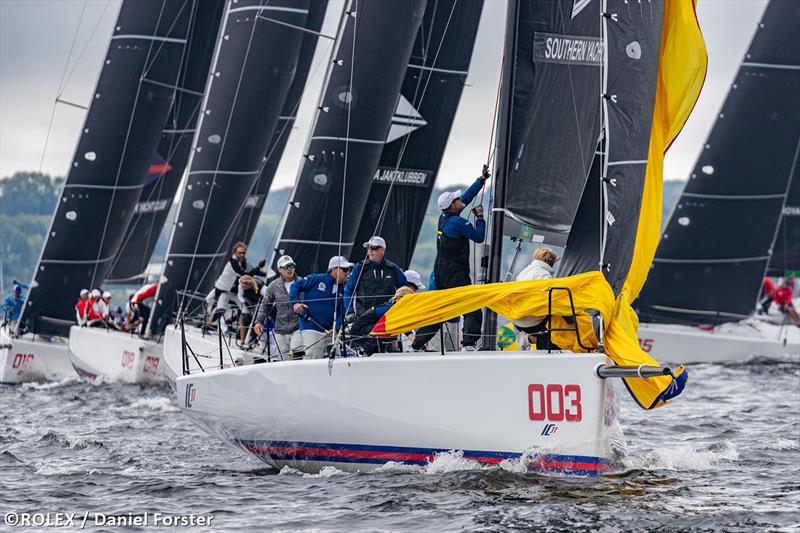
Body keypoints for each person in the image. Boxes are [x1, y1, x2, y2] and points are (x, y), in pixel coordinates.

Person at [412, 165, 490, 351]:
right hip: (455, 274)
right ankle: (469, 344)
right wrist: (480, 217)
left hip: (441, 272)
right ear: (453, 206)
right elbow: (479, 237)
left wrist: (481, 180)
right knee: (472, 304)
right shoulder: (456, 222)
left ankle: (416, 344)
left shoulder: (445, 217)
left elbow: (466, 198)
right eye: (456, 199)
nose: (459, 200)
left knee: (440, 311)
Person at [290, 256, 352, 359]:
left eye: (348, 270)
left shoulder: (343, 290)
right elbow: (295, 286)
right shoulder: (316, 279)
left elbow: (342, 313)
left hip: (330, 332)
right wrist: (295, 303)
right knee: (313, 357)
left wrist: (335, 328)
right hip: (311, 327)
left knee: (336, 358)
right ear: (334, 269)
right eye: (345, 269)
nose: (348, 272)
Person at [343, 236, 407, 318]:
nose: (370, 251)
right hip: (363, 317)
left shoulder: (393, 269)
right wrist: (349, 312)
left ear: (382, 250)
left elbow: (405, 290)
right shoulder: (360, 267)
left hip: (387, 317)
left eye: (374, 248)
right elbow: (348, 290)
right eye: (369, 248)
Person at [254, 255, 302, 358]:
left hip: (298, 327)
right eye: (286, 267)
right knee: (281, 361)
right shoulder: (273, 285)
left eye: (291, 266)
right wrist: (259, 321)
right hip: (280, 329)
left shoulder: (303, 282)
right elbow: (265, 304)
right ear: (280, 269)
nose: (289, 269)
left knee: (294, 357)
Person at [514, 247, 560, 350]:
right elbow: (551, 297)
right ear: (551, 262)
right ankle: (536, 341)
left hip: (518, 321)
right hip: (532, 322)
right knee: (560, 331)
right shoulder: (543, 274)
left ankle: (530, 338)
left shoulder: (523, 273)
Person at [349, 286, 415, 355]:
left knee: (389, 327)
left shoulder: (394, 308)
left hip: (370, 329)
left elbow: (402, 327)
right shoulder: (389, 308)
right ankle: (366, 351)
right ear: (399, 298)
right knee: (388, 327)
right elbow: (401, 326)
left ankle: (379, 351)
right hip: (359, 330)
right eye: (408, 301)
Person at [211, 242, 266, 323]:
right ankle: (207, 325)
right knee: (220, 310)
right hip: (224, 290)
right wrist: (258, 267)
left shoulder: (245, 263)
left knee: (246, 311)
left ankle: (232, 324)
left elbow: (251, 272)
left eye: (243, 253)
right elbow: (243, 274)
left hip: (236, 292)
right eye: (239, 253)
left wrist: (266, 274)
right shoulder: (232, 263)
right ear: (234, 253)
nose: (241, 255)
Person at [237, 275, 261, 345]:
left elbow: (266, 295)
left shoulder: (259, 285)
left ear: (249, 285)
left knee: (255, 321)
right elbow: (240, 295)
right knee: (243, 319)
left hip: (257, 304)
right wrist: (244, 302)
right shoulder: (240, 286)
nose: (242, 287)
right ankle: (242, 341)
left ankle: (252, 340)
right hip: (247, 302)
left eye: (244, 286)